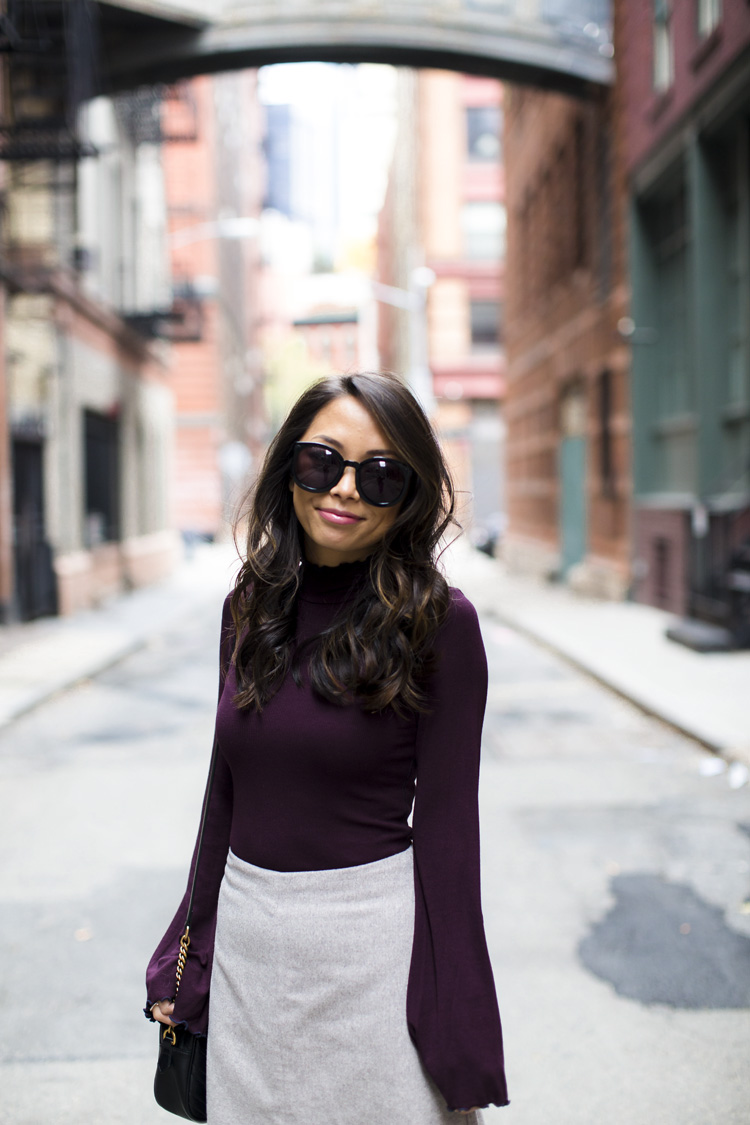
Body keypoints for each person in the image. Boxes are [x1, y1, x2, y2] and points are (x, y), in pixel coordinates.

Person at [145, 372, 509, 1123]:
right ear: (289, 467)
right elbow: (225, 792)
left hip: (370, 951)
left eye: (379, 476)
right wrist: (188, 946)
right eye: (322, 462)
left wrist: (457, 1025)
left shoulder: (441, 624)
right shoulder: (250, 603)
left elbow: (449, 834)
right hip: (248, 947)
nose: (343, 490)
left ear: (406, 497)